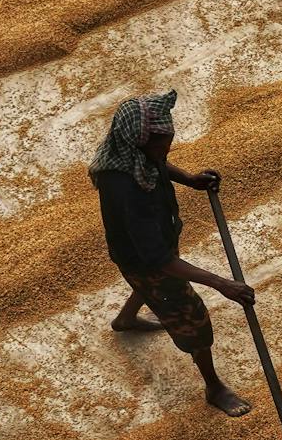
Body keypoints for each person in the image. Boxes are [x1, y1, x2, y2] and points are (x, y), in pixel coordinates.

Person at [89, 90, 254, 417]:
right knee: (191, 320)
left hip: (139, 252)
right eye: (162, 143)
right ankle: (214, 386)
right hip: (147, 262)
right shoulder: (127, 189)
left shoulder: (122, 155)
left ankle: (126, 320)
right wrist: (222, 283)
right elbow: (159, 261)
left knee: (146, 284)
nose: (167, 149)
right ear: (139, 143)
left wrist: (190, 180)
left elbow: (158, 163)